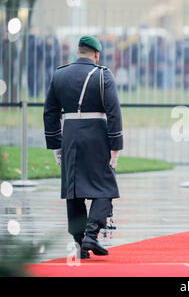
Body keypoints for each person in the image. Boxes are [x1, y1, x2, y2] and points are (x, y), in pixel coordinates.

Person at [44, 36, 123, 258]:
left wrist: (55, 145)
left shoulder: (60, 74)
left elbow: (50, 112)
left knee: (74, 190)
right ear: (96, 54)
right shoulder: (102, 74)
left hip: (69, 134)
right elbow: (114, 112)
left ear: (78, 51)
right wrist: (116, 146)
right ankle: (91, 234)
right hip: (96, 134)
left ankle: (80, 244)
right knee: (106, 187)